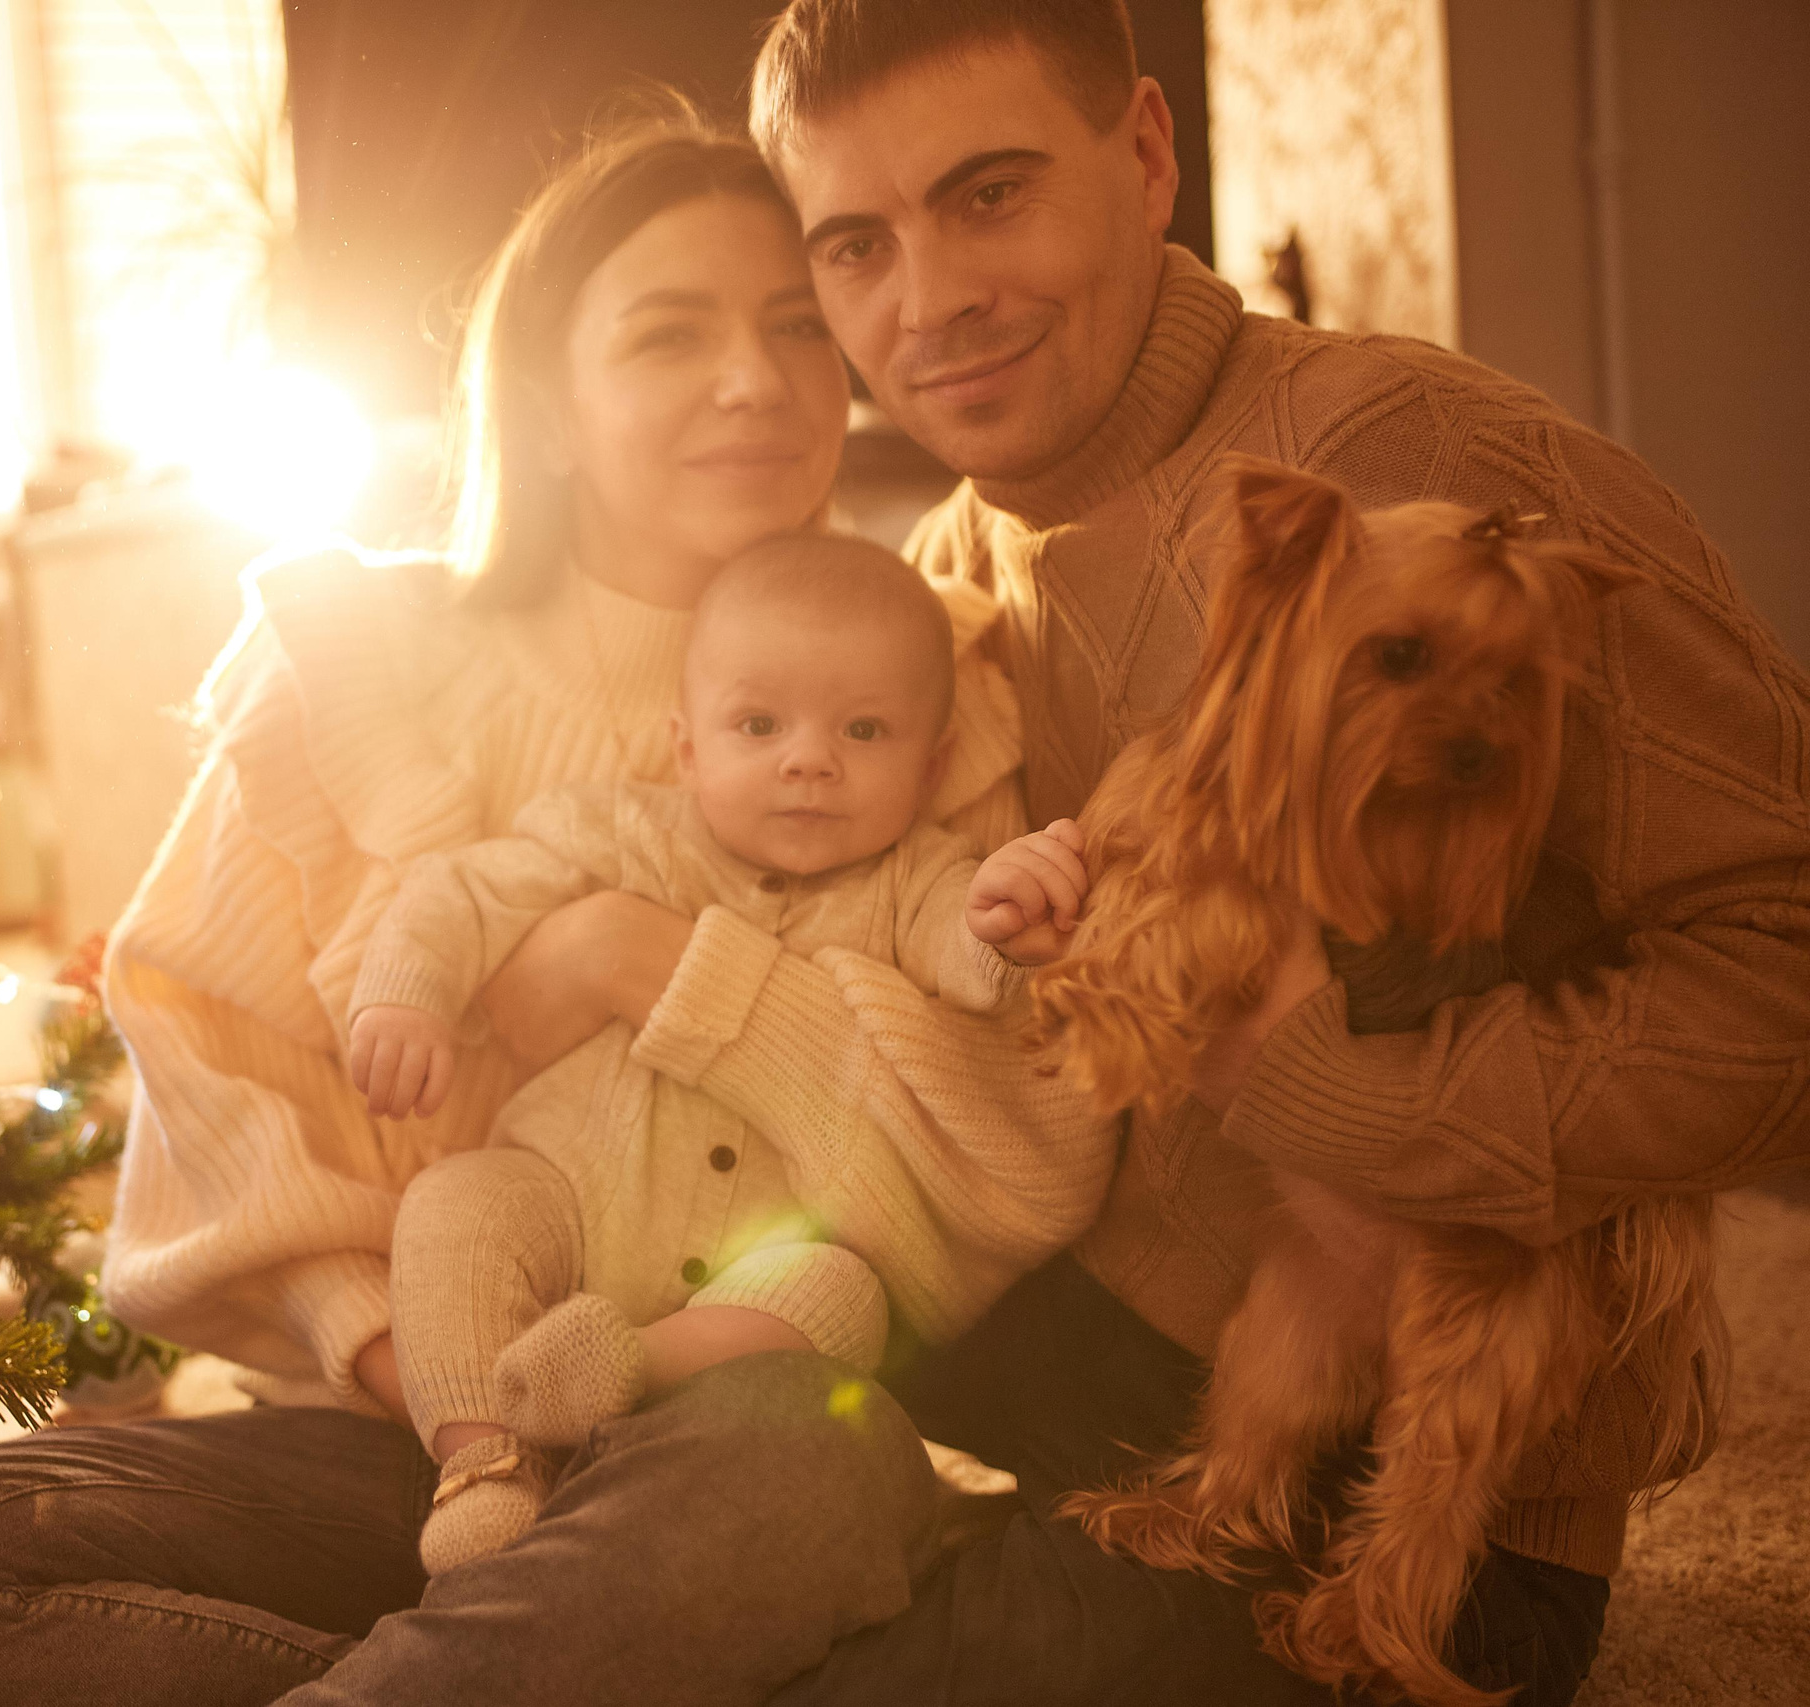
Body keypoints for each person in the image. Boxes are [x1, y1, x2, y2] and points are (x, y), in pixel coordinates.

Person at [0, 116, 1066, 1707]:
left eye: (793, 327)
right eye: (669, 333)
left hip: (739, 1428)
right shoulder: (347, 667)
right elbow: (215, 1078)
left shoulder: (931, 691)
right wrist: (448, 1383)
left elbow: (994, 1169)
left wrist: (651, 965)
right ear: (544, 403)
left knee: (805, 1461)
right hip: (415, 1441)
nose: (755, 379)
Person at [733, 1, 1810, 1703]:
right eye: (857, 243)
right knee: (594, 1480)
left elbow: (1787, 952)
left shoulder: (1450, 470)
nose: (928, 302)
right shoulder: (943, 562)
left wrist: (1344, 1092)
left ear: (1148, 154)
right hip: (1062, 1333)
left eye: (991, 195)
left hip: (1417, 1488)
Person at [346, 534, 1109, 1572]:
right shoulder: (624, 832)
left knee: (843, 1300)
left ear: (932, 768)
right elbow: (464, 892)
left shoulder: (918, 878)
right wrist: (406, 994)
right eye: (759, 724)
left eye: (863, 730)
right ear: (688, 748)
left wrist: (1009, 914)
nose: (808, 760)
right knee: (454, 1204)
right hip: (574, 1195)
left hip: (764, 1260)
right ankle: (484, 1463)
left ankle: (624, 1371)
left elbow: (968, 958)